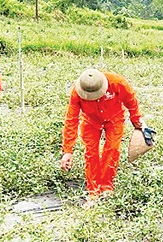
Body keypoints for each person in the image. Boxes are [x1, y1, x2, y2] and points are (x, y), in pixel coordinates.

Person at [60, 68, 151, 206]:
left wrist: (137, 120)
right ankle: (93, 191)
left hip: (114, 118)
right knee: (91, 153)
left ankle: (107, 187)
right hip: (90, 121)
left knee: (112, 149)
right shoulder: (76, 93)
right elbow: (71, 120)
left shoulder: (117, 82)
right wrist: (67, 151)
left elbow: (131, 102)